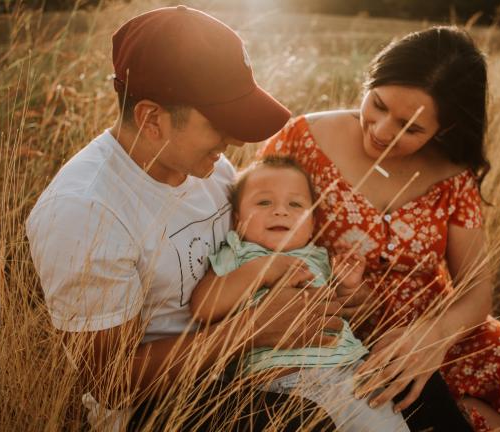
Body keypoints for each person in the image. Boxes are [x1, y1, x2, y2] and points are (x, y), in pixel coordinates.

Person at [260, 26, 500, 431]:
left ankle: (462, 414)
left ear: (446, 128)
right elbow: (250, 229)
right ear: (369, 82)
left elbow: (476, 292)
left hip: (434, 332)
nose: (383, 131)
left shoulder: (453, 174)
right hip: (335, 335)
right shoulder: (303, 139)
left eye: (411, 127)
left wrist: (432, 337)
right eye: (378, 104)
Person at [26, 6, 341, 431]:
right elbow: (110, 381)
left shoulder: (211, 169)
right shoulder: (84, 213)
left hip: (251, 359)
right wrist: (251, 330)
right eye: (220, 123)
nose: (231, 141)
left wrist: (320, 290)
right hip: (159, 406)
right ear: (151, 119)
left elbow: (246, 256)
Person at [189, 155, 408, 432]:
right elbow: (204, 306)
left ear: (313, 223)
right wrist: (261, 270)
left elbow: (353, 311)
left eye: (295, 204)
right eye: (264, 202)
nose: (280, 211)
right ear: (237, 219)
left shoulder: (318, 257)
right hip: (282, 387)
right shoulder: (239, 255)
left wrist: (349, 285)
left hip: (351, 376)